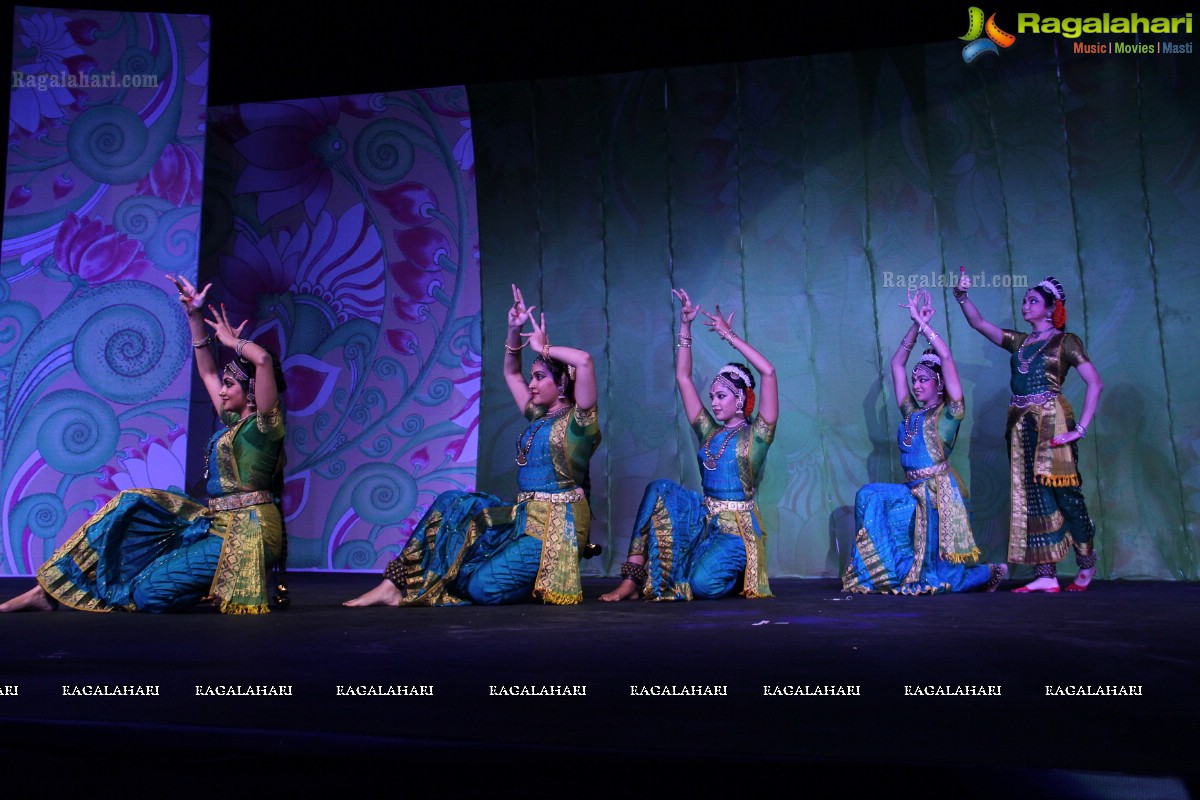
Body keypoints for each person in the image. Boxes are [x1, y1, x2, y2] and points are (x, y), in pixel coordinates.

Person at [0, 276, 286, 614]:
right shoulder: (232, 423)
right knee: (132, 507)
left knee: (150, 596)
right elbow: (207, 373)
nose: (221, 390)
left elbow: (264, 362)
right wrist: (194, 317)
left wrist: (234, 342)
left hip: (250, 531)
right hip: (217, 525)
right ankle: (47, 590)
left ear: (250, 390)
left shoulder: (264, 427)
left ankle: (229, 578)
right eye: (223, 385)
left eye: (229, 385)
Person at [344, 284, 599, 607]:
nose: (531, 384)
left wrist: (545, 349)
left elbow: (585, 361)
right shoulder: (537, 416)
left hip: (556, 530)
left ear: (561, 383)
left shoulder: (580, 424)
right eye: (532, 377)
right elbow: (510, 372)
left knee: (481, 588)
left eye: (539, 377)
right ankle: (394, 584)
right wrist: (513, 329)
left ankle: (543, 577)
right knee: (453, 504)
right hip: (524, 518)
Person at [600, 289, 777, 602]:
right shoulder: (709, 432)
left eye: (721, 396)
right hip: (704, 520)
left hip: (737, 531)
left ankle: (734, 571)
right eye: (712, 397)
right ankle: (631, 579)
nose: (713, 402)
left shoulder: (757, 437)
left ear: (740, 401)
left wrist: (728, 335)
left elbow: (768, 372)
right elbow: (683, 377)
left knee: (703, 587)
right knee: (658, 489)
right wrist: (685, 327)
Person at [842, 290, 1007, 594]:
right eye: (914, 379)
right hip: (910, 492)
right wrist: (914, 326)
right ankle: (883, 573)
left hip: (936, 497)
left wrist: (927, 327)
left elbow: (945, 357)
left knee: (938, 578)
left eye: (923, 379)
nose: (915, 384)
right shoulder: (911, 413)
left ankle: (988, 572)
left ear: (940, 382)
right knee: (870, 495)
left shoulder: (950, 413)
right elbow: (896, 365)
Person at [955, 271, 1103, 592]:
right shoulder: (1020, 342)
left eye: (1033, 301)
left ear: (1051, 309)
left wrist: (1080, 429)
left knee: (1065, 493)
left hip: (1052, 421)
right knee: (1031, 496)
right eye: (1024, 301)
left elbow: (1096, 382)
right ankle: (1046, 574)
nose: (1026, 305)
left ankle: (1086, 562)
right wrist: (962, 297)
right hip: (1021, 424)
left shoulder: (1066, 341)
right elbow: (980, 324)